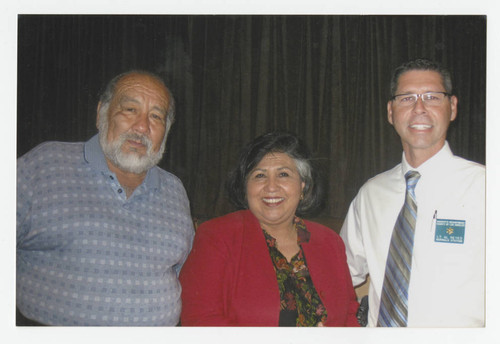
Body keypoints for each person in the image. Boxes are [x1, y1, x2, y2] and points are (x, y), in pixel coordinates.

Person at [16, 70, 195, 326]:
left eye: (156, 116)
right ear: (102, 113)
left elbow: (181, 271)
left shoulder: (175, 189)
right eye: (130, 110)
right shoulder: (44, 165)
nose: (142, 126)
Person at [340, 58, 485, 327]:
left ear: (452, 107)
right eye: (406, 98)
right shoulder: (370, 195)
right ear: (390, 112)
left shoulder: (485, 189)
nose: (419, 108)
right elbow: (341, 274)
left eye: (432, 97)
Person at [179, 132, 359, 326]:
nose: (271, 186)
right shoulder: (216, 237)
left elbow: (349, 314)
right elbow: (200, 320)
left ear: (303, 187)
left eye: (283, 174)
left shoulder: (329, 242)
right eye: (259, 175)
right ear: (246, 187)